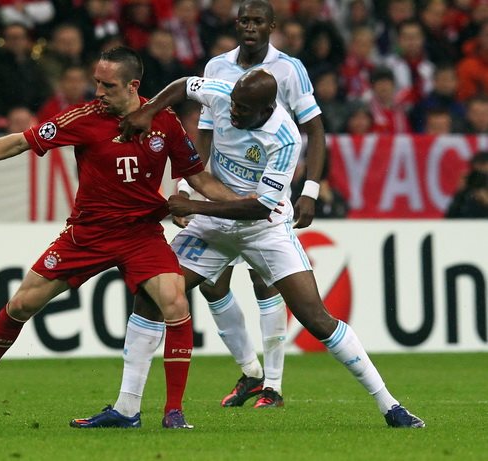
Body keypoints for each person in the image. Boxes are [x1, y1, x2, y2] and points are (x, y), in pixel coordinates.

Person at [0, 46, 251, 429]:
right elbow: (20, 141)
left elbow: (199, 177)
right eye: (97, 83)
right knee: (22, 304)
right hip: (88, 234)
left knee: (175, 302)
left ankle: (173, 412)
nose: (98, 92)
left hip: (141, 234)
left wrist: (245, 203)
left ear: (133, 86)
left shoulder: (165, 121)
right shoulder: (83, 118)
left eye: (108, 85)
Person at [94, 68, 424, 429]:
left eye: (243, 109)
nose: (233, 111)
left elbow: (259, 207)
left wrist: (194, 206)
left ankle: (390, 405)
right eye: (233, 103)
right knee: (150, 296)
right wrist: (150, 109)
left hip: (264, 230)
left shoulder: (285, 137)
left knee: (316, 318)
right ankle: (127, 409)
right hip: (214, 226)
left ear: (267, 108)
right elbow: (183, 86)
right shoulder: (224, 94)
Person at [172, 0, 328, 409]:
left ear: (272, 26)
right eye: (244, 20)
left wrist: (310, 189)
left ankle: (273, 385)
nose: (250, 27)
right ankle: (251, 372)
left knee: (264, 281)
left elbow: (314, 129)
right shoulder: (216, 67)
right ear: (236, 24)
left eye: (258, 21)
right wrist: (189, 185)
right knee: (212, 285)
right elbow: (205, 130)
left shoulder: (289, 69)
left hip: (264, 193)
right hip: (221, 189)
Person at [445, 151, 488, 218]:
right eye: (476, 172)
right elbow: (449, 218)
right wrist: (459, 193)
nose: (479, 177)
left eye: (483, 173)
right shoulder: (467, 193)